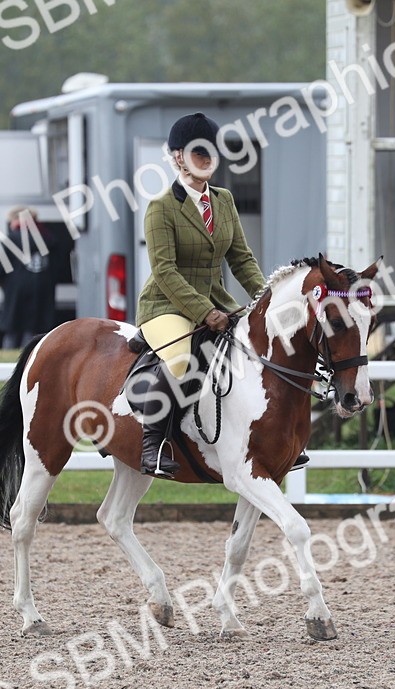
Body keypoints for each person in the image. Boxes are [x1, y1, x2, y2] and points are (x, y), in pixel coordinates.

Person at [136, 112, 266, 477]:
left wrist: (265, 299)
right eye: (198, 152)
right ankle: (154, 443)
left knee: (258, 346)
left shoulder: (223, 200)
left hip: (217, 301)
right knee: (180, 359)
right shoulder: (161, 206)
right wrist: (204, 311)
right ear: (178, 157)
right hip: (166, 304)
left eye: (211, 151)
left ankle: (266, 438)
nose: (207, 158)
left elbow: (241, 258)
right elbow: (165, 270)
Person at [0, 207, 56, 350]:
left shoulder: (9, 241)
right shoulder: (48, 239)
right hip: (42, 292)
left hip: (15, 291)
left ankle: (7, 360)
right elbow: (57, 267)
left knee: (12, 332)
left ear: (16, 220)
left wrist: (1, 282)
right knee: (34, 332)